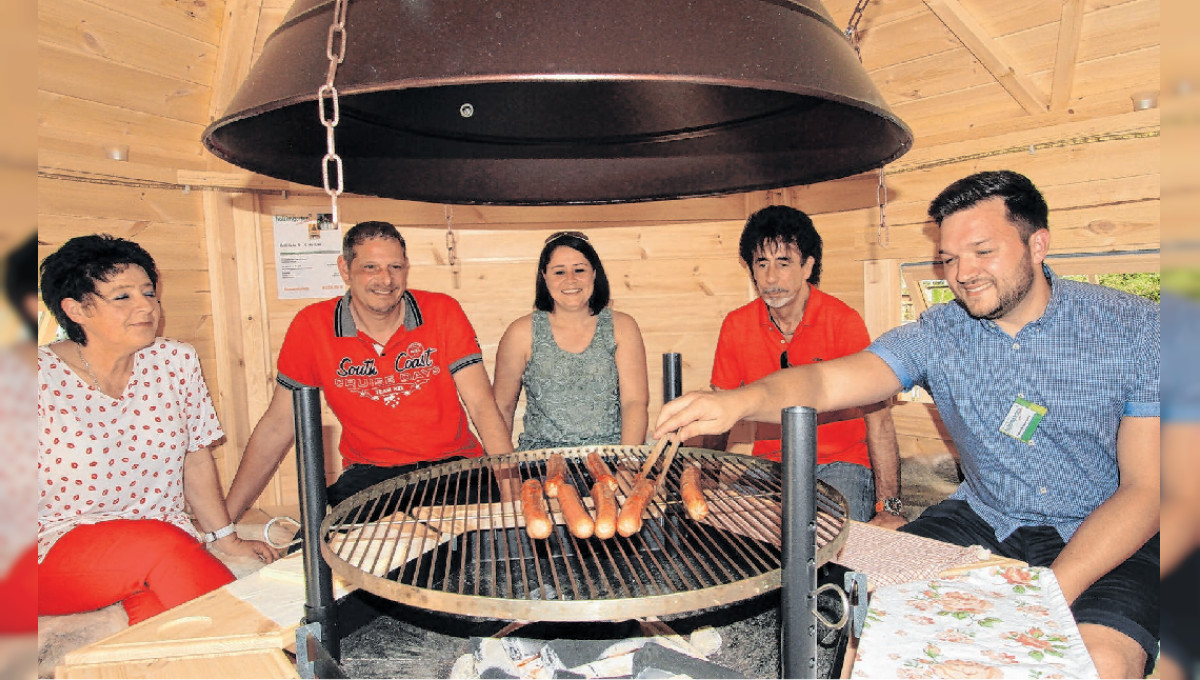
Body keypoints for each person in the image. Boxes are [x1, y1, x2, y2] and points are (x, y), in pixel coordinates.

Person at [655, 171, 1159, 679]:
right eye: (949, 258)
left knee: (1102, 663)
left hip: (1101, 527)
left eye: (982, 251)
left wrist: (1043, 593)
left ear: (1038, 244)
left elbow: (1149, 489)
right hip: (983, 515)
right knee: (854, 624)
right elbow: (830, 383)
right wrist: (742, 401)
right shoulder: (939, 330)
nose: (962, 273)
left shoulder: (1136, 328)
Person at [38, 235, 279, 626]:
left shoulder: (174, 361)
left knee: (173, 623)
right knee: (160, 545)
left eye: (149, 293)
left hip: (164, 543)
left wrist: (226, 538)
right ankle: (268, 644)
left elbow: (196, 459)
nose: (146, 306)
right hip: (53, 548)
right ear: (76, 309)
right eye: (123, 297)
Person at [224, 221, 515, 521]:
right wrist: (225, 521)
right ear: (345, 269)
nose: (385, 279)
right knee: (318, 552)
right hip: (371, 476)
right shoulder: (312, 326)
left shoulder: (442, 311)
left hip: (455, 469)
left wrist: (511, 490)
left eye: (395, 267)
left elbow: (482, 406)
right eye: (371, 267)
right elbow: (278, 425)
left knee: (480, 554)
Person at [705, 206, 900, 525]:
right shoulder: (736, 325)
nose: (770, 278)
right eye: (761, 263)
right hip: (770, 466)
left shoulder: (843, 321)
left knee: (825, 537)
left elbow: (878, 419)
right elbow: (718, 411)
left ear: (807, 266)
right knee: (732, 535)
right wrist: (708, 483)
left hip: (842, 463)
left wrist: (890, 507)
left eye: (783, 263)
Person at [493, 231, 649, 450]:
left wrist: (627, 464)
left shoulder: (622, 327)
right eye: (559, 272)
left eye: (579, 270)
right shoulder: (520, 332)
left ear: (594, 273)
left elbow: (635, 403)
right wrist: (505, 473)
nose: (570, 280)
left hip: (610, 457)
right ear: (544, 276)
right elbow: (503, 406)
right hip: (540, 461)